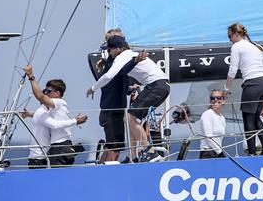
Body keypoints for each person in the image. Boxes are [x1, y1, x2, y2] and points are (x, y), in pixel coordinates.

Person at [86, 36, 169, 161]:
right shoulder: (129, 55)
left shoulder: (122, 56)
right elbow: (123, 72)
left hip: (155, 86)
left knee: (129, 118)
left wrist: (93, 88)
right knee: (131, 119)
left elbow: (109, 76)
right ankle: (133, 156)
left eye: (110, 50)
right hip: (162, 86)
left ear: (118, 49)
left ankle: (149, 151)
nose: (109, 53)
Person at [225, 22, 263, 156]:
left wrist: (226, 88)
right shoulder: (257, 46)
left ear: (235, 34)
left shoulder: (237, 47)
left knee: (247, 119)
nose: (229, 40)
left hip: (253, 83)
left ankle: (252, 153)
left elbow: (233, 70)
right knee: (256, 116)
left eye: (229, 37)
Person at [24, 65, 88, 165]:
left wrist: (31, 75)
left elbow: (39, 96)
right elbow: (42, 114)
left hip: (61, 146)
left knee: (58, 177)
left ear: (57, 93)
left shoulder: (58, 102)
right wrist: (29, 114)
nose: (45, 94)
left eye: (48, 91)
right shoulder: (53, 107)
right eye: (45, 91)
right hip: (57, 146)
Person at [95, 28, 138, 162]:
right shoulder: (114, 63)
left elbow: (116, 85)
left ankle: (100, 169)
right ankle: (104, 174)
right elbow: (113, 83)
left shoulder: (111, 62)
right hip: (112, 111)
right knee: (115, 148)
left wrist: (130, 89)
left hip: (111, 110)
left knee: (111, 146)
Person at [19, 104, 51, 168]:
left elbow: (40, 114)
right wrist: (74, 121)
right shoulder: (43, 114)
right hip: (38, 158)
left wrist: (29, 114)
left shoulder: (41, 114)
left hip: (38, 157)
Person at [199, 89, 227, 159]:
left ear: (223, 101)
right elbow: (209, 136)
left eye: (218, 98)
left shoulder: (222, 118)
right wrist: (220, 153)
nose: (215, 99)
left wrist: (219, 152)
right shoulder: (207, 114)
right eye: (212, 98)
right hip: (207, 154)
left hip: (217, 153)